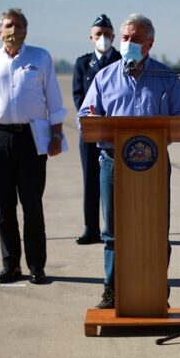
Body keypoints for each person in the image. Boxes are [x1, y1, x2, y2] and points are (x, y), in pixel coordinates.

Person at [78, 13, 180, 309]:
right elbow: (84, 118)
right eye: (125, 38)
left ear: (150, 43)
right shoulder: (104, 77)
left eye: (136, 39)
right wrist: (92, 121)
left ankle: (157, 288)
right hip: (113, 163)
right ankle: (112, 289)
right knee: (112, 232)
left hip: (153, 164)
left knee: (155, 229)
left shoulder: (165, 77)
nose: (128, 43)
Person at [0, 8, 67, 285]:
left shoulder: (40, 57)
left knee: (32, 205)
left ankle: (36, 266)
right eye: (8, 25)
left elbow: (53, 101)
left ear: (26, 31)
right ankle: (11, 265)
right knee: (4, 207)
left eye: (18, 25)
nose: (13, 30)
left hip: (31, 138)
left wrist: (56, 136)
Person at [72, 14, 122, 245]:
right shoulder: (83, 64)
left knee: (115, 183)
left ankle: (115, 227)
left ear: (114, 36)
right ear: (91, 37)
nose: (103, 38)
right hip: (91, 132)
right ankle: (90, 228)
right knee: (90, 180)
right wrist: (92, 120)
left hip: (115, 132)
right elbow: (79, 96)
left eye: (107, 34)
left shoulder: (122, 60)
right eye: (98, 34)